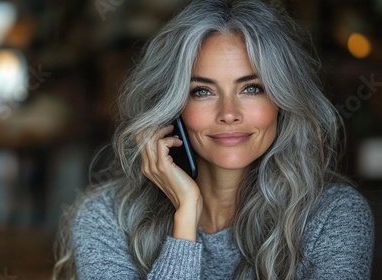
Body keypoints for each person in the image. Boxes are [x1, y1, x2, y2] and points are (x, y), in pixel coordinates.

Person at [52, 0, 375, 279]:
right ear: (172, 106)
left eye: (252, 88)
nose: (229, 113)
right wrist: (186, 215)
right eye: (202, 91)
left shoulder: (333, 217)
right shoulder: (107, 218)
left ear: (282, 101)